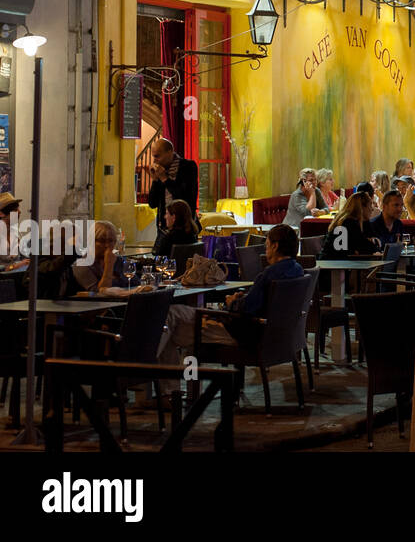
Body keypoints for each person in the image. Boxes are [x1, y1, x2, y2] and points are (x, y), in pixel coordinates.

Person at [160, 223, 305, 377]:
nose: (265, 248)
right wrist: (243, 299)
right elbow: (262, 303)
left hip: (243, 333)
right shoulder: (298, 270)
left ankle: (146, 376)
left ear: (275, 246)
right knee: (171, 329)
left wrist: (232, 302)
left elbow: (247, 308)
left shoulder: (269, 274)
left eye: (267, 244)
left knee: (169, 319)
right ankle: (174, 391)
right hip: (274, 335)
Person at [145, 138, 200, 229]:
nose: (154, 161)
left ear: (170, 152)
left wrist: (164, 179)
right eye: (153, 156)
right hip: (164, 226)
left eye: (157, 156)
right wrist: (155, 180)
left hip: (185, 226)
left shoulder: (188, 166)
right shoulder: (161, 170)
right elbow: (152, 203)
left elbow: (184, 197)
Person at [319, 190, 380, 257]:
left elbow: (370, 241)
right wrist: (372, 243)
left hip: (332, 262)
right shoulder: (349, 223)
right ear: (362, 207)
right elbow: (365, 246)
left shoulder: (348, 220)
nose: (372, 209)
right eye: (370, 205)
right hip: (333, 264)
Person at [0, 194, 27, 272]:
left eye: (18, 208)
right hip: (1, 281)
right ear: (1, 214)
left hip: (18, 276)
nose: (19, 212)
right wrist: (14, 267)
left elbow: (24, 257)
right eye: (15, 210)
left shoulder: (16, 232)